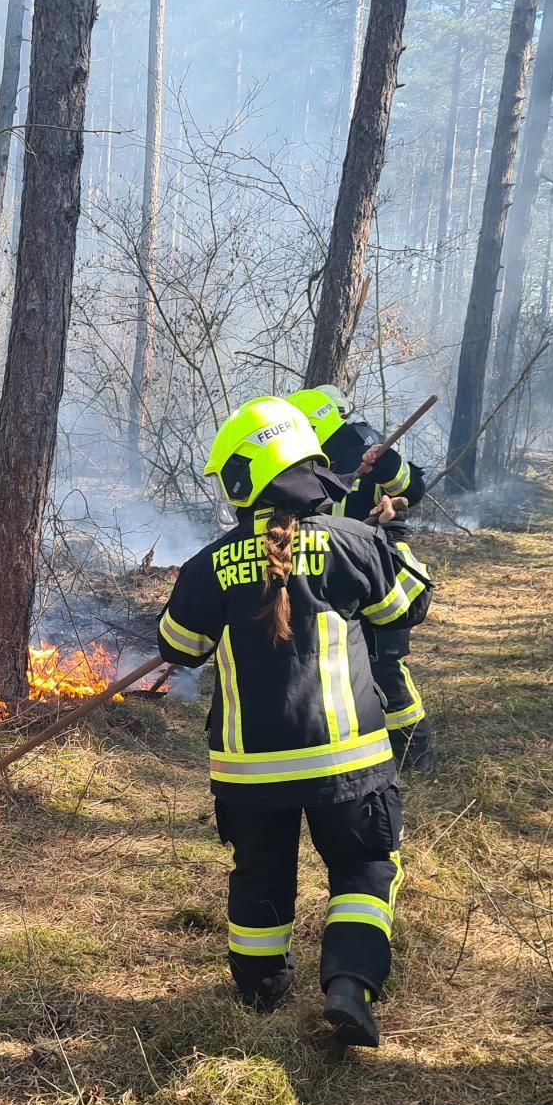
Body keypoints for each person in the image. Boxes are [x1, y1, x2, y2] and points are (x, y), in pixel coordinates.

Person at [155, 397, 433, 1047]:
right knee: (364, 869)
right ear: (311, 465)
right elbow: (405, 609)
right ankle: (348, 984)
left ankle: (258, 996)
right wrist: (385, 537)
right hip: (351, 762)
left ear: (238, 484)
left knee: (261, 876)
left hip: (250, 773)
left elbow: (178, 648)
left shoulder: (207, 567)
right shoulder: (354, 543)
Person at [287, 384, 435, 771]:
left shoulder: (369, 450)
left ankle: (413, 754)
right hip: (343, 573)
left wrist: (384, 467)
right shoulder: (323, 462)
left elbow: (411, 487)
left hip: (384, 573)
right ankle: (359, 742)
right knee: (347, 660)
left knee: (386, 662)